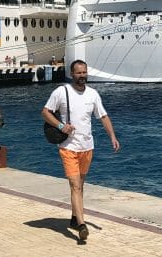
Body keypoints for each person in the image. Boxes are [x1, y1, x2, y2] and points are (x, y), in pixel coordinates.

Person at [41, 59, 119, 241]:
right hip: (68, 146)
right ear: (72, 74)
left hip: (87, 147)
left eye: (84, 72)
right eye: (79, 73)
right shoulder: (62, 91)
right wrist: (61, 126)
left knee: (80, 186)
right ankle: (82, 226)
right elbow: (45, 112)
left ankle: (75, 218)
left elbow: (103, 116)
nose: (82, 76)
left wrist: (112, 137)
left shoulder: (93, 94)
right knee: (75, 185)